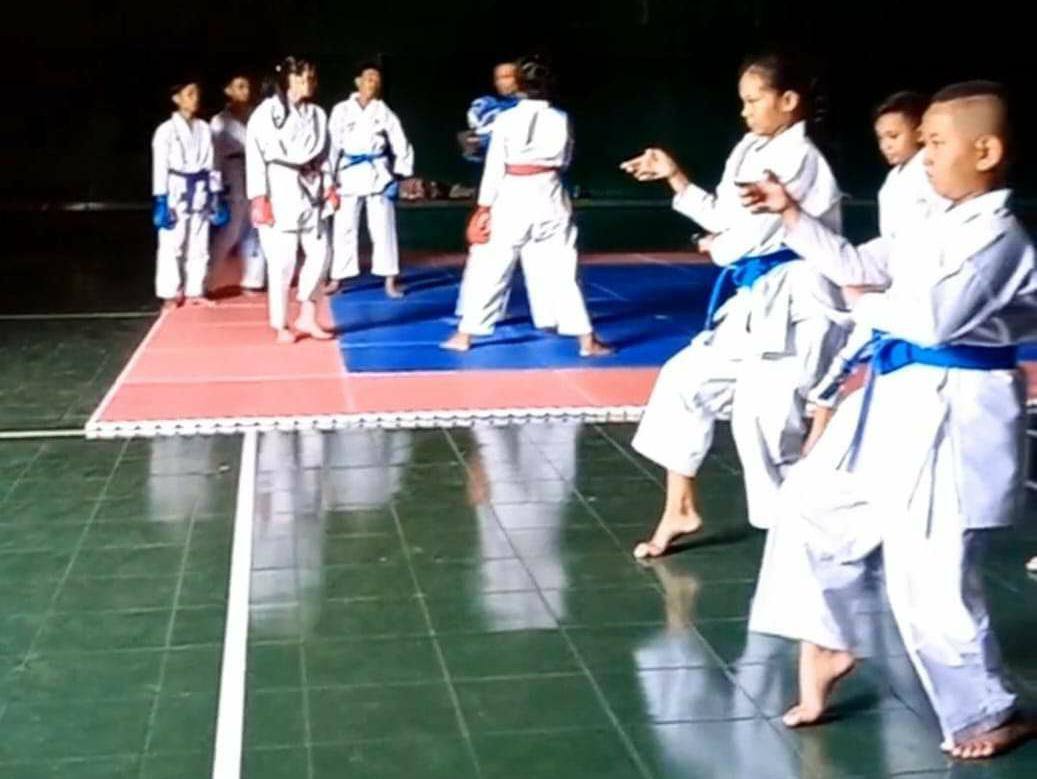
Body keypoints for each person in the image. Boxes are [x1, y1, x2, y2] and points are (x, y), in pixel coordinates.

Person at [744, 81, 1037, 759]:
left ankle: (986, 712)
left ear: (986, 151)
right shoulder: (936, 222)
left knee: (928, 567)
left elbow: (930, 320)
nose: (924, 155)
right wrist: (792, 215)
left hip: (954, 406)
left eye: (935, 142)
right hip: (899, 394)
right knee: (810, 504)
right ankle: (827, 640)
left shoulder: (997, 234)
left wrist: (861, 303)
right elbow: (855, 265)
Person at [619, 51, 844, 558]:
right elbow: (725, 216)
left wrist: (716, 246)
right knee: (683, 382)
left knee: (763, 426)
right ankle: (680, 507)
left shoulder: (800, 159)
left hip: (798, 305)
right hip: (756, 301)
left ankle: (813, 537)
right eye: (742, 101)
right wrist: (676, 178)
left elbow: (747, 235)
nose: (745, 111)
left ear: (789, 101)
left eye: (754, 100)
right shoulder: (749, 148)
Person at [441, 57, 611, 357]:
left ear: (519, 85)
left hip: (512, 196)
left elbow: (494, 166)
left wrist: (483, 208)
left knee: (493, 266)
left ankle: (464, 336)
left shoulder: (505, 119)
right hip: (550, 195)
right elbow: (565, 160)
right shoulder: (561, 119)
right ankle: (587, 341)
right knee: (564, 271)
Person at [246, 56, 336, 343]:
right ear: (287, 80)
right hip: (279, 186)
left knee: (322, 253)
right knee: (282, 261)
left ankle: (307, 314)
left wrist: (330, 185)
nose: (306, 83)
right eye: (300, 78)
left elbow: (326, 155)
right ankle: (280, 324)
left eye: (310, 78)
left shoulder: (318, 115)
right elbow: (255, 157)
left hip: (312, 186)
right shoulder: (265, 113)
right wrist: (259, 198)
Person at [326, 62, 414, 299]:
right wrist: (328, 176)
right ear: (358, 81)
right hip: (348, 173)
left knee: (383, 228)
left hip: (378, 174)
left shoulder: (384, 111)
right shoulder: (341, 110)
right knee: (344, 228)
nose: (372, 83)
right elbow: (332, 145)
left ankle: (389, 279)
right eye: (368, 78)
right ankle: (337, 278)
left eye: (376, 80)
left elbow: (400, 142)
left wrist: (401, 174)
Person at [152, 79, 228, 308]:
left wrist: (216, 194)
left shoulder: (204, 128)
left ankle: (195, 289)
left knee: (199, 241)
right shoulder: (166, 130)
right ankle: (170, 292)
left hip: (201, 189)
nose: (195, 98)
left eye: (197, 93)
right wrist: (161, 198)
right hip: (176, 189)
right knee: (172, 242)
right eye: (190, 94)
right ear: (176, 98)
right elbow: (160, 166)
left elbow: (212, 163)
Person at [210, 72, 266, 295]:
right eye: (240, 86)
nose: (246, 91)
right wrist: (216, 186)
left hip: (256, 171)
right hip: (232, 172)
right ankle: (208, 280)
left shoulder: (257, 116)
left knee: (256, 226)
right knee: (231, 230)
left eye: (247, 87)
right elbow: (214, 156)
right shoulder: (220, 121)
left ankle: (253, 279)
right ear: (228, 90)